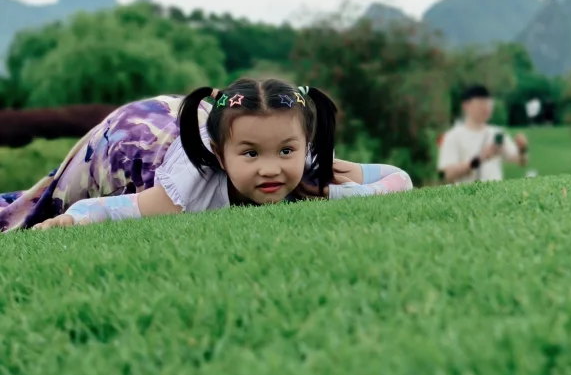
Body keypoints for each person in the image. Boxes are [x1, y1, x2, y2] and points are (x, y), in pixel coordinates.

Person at [1, 77, 413, 233]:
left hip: (212, 121)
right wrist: (74, 218)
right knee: (38, 208)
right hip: (130, 139)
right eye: (251, 156)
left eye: (287, 151)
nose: (272, 168)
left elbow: (400, 180)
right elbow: (110, 208)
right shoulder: (187, 190)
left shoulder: (305, 162)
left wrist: (344, 179)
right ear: (219, 156)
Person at [437, 84, 529, 185]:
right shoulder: (453, 136)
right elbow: (447, 174)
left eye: (488, 105)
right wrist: (479, 159)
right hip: (465, 197)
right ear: (466, 106)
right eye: (481, 105)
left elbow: (521, 161)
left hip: (494, 197)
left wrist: (522, 149)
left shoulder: (497, 134)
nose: (486, 109)